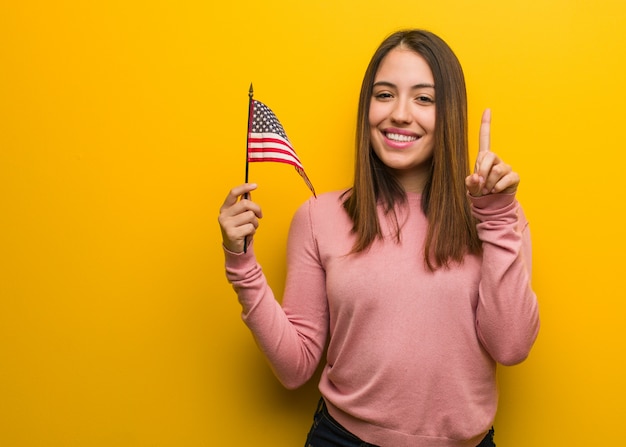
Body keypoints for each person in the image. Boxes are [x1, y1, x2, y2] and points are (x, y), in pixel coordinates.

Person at [218, 29, 540, 447]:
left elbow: (511, 346)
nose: (400, 114)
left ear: (451, 113)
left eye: (424, 99)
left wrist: (496, 218)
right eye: (384, 95)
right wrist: (241, 265)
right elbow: (295, 367)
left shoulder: (496, 215)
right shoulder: (319, 218)